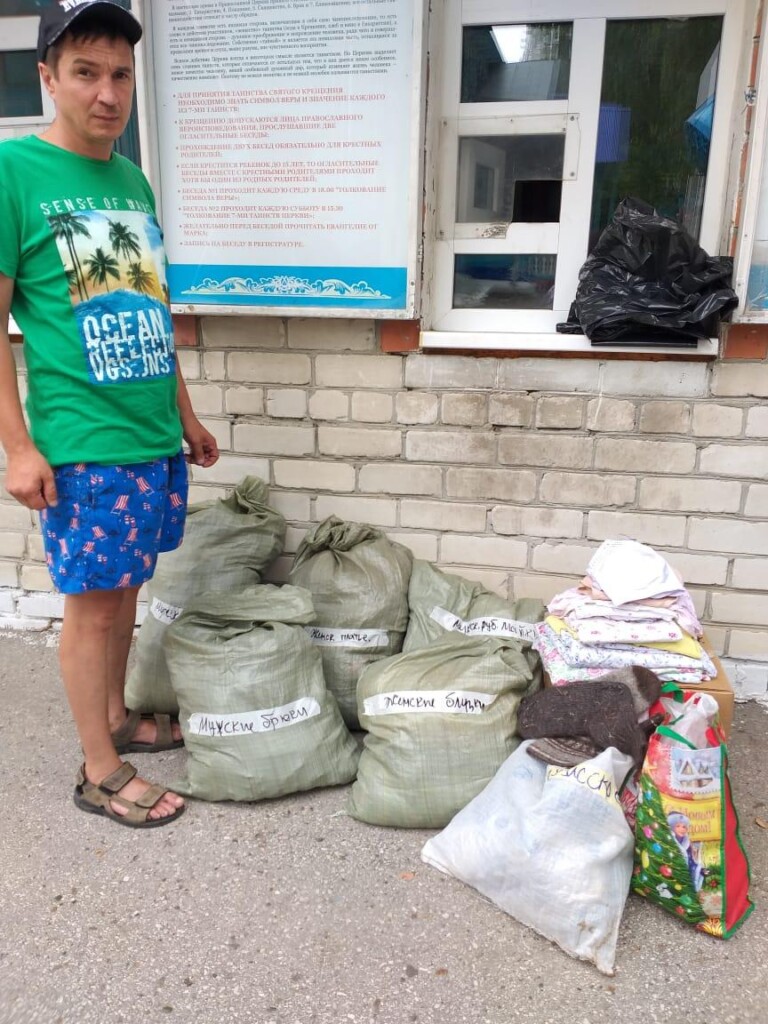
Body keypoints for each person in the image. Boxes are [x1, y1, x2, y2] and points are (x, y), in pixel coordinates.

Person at [0, 1, 219, 828]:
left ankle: (118, 716)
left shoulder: (132, 182)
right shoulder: (13, 173)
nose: (107, 92)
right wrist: (18, 447)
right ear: (48, 77)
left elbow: (147, 310)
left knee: (125, 592)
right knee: (93, 608)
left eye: (120, 74)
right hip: (82, 441)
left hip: (148, 435)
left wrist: (184, 415)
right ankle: (99, 769)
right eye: (86, 72)